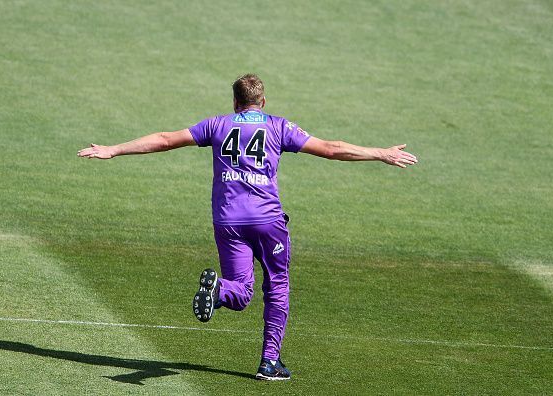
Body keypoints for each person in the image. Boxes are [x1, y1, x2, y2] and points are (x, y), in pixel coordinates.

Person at [77, 74, 418, 380]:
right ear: (263, 101)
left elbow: (166, 139)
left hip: (227, 221)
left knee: (240, 292)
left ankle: (218, 291)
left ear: (235, 102)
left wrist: (113, 149)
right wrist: (380, 153)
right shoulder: (277, 126)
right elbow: (330, 149)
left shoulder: (217, 125)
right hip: (267, 221)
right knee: (278, 286)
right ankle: (269, 363)